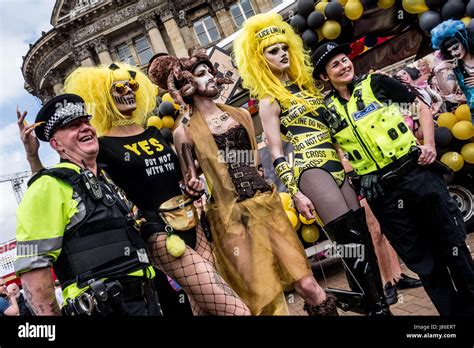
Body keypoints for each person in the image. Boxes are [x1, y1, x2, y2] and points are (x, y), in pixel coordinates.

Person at [19, 63, 250, 316]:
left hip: (187, 227)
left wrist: (193, 183)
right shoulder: (96, 151)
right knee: (235, 310)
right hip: (160, 232)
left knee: (203, 307)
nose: (127, 90)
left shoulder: (151, 135)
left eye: (132, 85)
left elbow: (181, 173)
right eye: (118, 87)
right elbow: (43, 204)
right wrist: (33, 158)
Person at [148, 48, 339, 316]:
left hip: (266, 207)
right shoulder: (184, 132)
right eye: (202, 74)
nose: (211, 77)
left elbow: (253, 162)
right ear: (187, 84)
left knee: (308, 284)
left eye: (210, 71)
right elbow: (190, 179)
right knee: (264, 299)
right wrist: (194, 187)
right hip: (230, 220)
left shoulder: (240, 115)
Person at [232, 12, 389, 316]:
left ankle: (373, 304)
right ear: (259, 58)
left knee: (363, 237)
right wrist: (295, 192)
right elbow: (276, 150)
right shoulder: (268, 101)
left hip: (335, 163)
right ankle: (376, 309)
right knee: (349, 240)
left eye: (283, 48)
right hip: (309, 168)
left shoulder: (308, 88)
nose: (281, 54)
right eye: (272, 51)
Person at [313, 41, 474, 316]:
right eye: (335, 64)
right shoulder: (327, 111)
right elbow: (335, 151)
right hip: (383, 194)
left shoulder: (376, 85)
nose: (344, 66)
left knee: (453, 248)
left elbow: (420, 108)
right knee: (425, 264)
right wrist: (357, 174)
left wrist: (430, 145)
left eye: (344, 60)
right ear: (323, 77)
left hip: (417, 176)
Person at [15, 94, 162, 316]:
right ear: (56, 144)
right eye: (74, 126)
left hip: (145, 303)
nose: (85, 128)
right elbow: (31, 261)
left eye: (86, 121)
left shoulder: (107, 182)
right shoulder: (47, 187)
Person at [431, 19, 474, 121]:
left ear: (464, 40)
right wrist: (437, 72)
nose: (454, 53)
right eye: (450, 51)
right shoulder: (455, 67)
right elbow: (448, 91)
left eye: (455, 47)